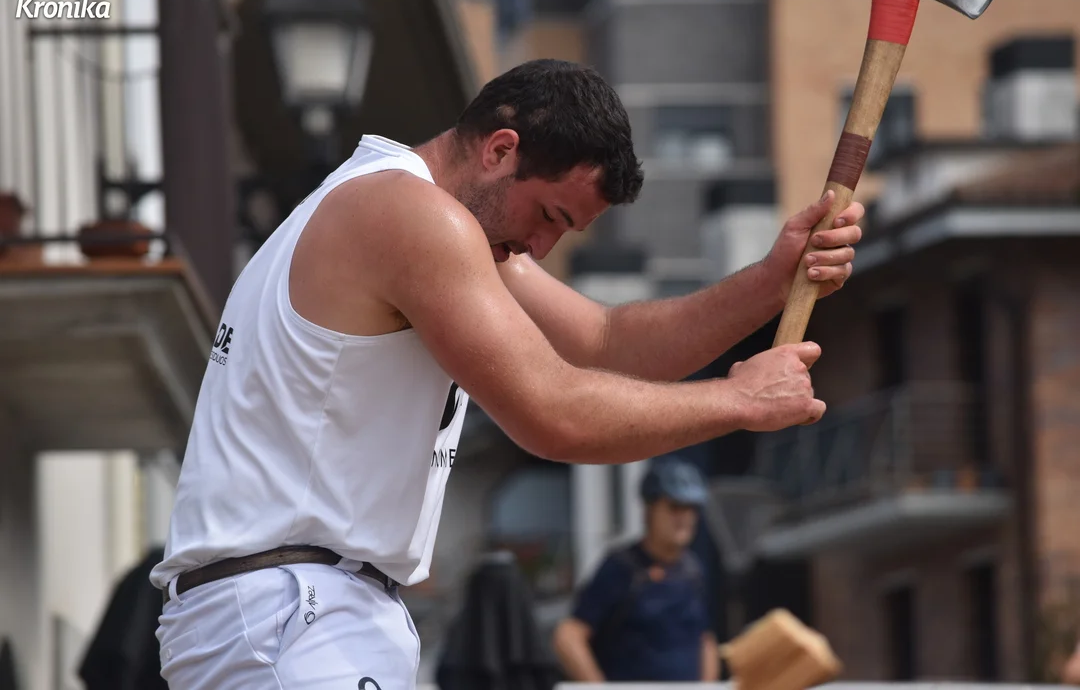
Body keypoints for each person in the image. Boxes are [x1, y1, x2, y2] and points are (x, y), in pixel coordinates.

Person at [150, 58, 865, 690]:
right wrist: (737, 400)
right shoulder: (411, 217)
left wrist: (772, 282)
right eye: (548, 215)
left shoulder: (425, 216)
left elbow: (607, 342)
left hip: (300, 608)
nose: (540, 247)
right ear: (500, 149)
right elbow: (555, 414)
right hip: (289, 605)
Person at [552, 460, 719, 683]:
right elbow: (568, 637)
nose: (684, 518)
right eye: (675, 507)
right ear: (650, 510)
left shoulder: (693, 570)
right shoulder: (621, 568)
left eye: (692, 508)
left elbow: (704, 639)